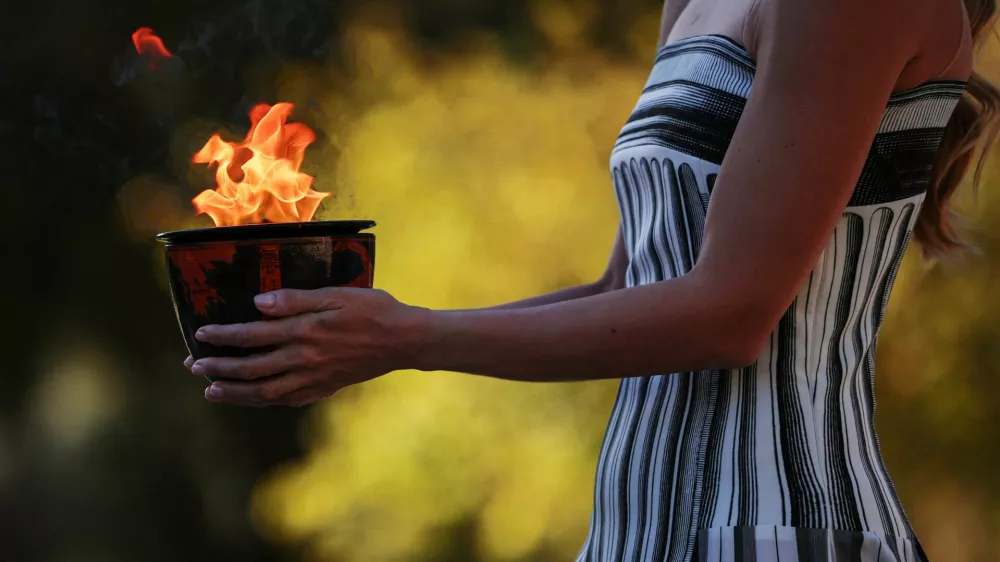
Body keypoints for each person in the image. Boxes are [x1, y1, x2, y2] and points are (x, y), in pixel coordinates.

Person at [184, 0, 999, 559]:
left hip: (777, 529)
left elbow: (729, 317)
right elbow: (627, 284)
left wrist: (411, 337)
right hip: (633, 530)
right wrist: (367, 335)